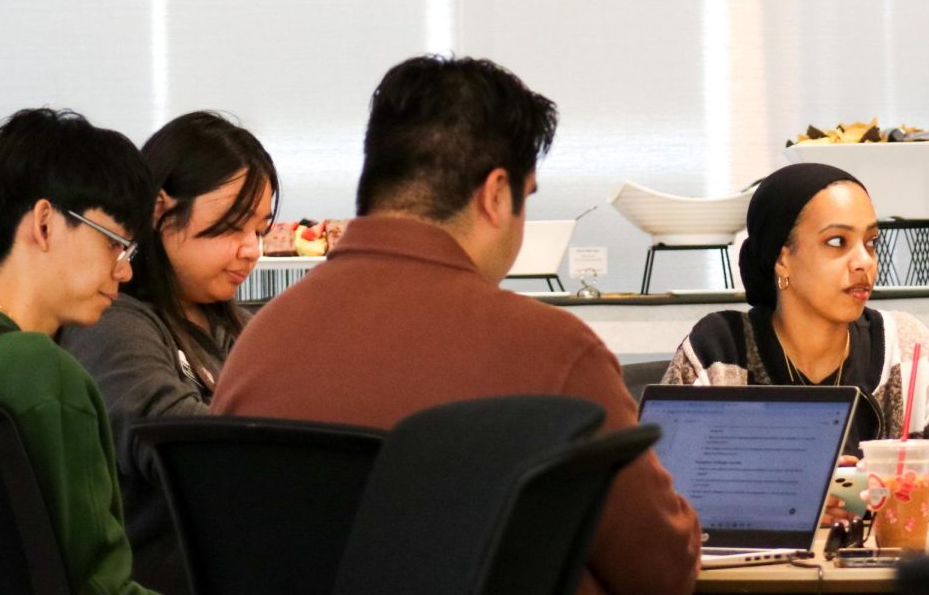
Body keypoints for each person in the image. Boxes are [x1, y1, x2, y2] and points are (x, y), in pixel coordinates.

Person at [213, 55, 701, 595]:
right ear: (496, 194)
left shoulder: (258, 344)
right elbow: (660, 571)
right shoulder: (554, 351)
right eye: (526, 199)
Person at [0, 108, 158, 594]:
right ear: (45, 223)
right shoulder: (46, 373)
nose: (124, 271)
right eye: (115, 244)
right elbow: (99, 585)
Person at [661, 162, 929, 518]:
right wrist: (795, 498)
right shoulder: (721, 351)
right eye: (837, 242)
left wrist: (878, 491)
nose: (864, 262)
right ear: (782, 258)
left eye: (871, 242)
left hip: (881, 573)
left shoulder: (907, 348)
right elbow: (656, 491)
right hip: (755, 573)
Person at [57, 111, 277, 594]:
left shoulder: (235, 324)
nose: (252, 250)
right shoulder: (111, 322)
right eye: (232, 228)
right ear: (158, 212)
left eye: (260, 229)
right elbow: (174, 440)